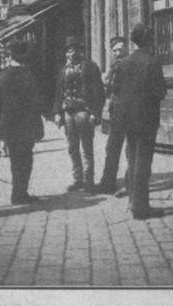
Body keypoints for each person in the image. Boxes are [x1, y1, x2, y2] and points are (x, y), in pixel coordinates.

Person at [113, 23, 167, 220]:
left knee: (133, 159)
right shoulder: (152, 62)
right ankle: (141, 207)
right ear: (148, 40)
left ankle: (133, 202)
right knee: (143, 163)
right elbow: (160, 91)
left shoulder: (124, 63)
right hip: (146, 120)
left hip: (128, 120)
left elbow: (116, 91)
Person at [53, 35, 105, 193]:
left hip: (84, 111)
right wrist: (57, 113)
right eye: (69, 51)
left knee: (87, 148)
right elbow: (58, 93)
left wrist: (96, 112)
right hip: (68, 113)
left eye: (75, 49)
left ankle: (89, 182)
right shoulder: (63, 70)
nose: (72, 53)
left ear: (80, 50)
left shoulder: (90, 67)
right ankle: (78, 180)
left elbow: (99, 92)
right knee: (72, 148)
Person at [0, 39, 43, 205]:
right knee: (26, 160)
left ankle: (16, 193)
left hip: (10, 126)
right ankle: (20, 193)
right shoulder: (29, 76)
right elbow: (35, 104)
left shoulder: (3, 76)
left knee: (15, 160)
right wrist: (38, 128)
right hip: (26, 127)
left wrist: (0, 129)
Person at [95, 36, 133, 196]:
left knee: (131, 148)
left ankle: (130, 183)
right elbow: (109, 90)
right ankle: (108, 183)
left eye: (120, 49)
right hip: (116, 111)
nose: (118, 52)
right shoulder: (113, 67)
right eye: (115, 50)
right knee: (112, 147)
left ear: (127, 49)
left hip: (130, 110)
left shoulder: (132, 64)